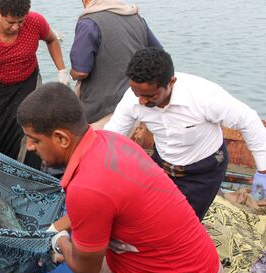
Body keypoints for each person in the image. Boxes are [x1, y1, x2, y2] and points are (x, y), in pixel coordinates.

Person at [17, 82, 223, 273]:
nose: (30, 147)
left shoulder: (86, 189)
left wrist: (60, 243)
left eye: (35, 139)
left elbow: (86, 269)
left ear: (61, 138)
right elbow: (105, 204)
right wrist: (57, 227)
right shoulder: (109, 141)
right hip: (194, 260)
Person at [104, 47, 266, 220]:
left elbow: (249, 121)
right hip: (163, 164)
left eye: (150, 96)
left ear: (171, 83)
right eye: (137, 94)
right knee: (145, 216)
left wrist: (263, 171)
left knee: (183, 223)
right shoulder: (133, 98)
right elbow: (112, 136)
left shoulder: (204, 97)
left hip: (203, 171)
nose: (142, 101)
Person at [0, 0, 68, 169]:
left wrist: (61, 70)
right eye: (11, 22)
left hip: (29, 83)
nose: (16, 27)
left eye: (20, 21)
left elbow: (51, 40)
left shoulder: (35, 22)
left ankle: (31, 173)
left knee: (33, 130)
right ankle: (3, 172)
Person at [69, 0, 161, 129]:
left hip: (102, 109)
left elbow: (80, 71)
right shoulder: (135, 17)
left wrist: (70, 74)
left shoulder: (89, 22)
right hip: (136, 101)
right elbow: (158, 56)